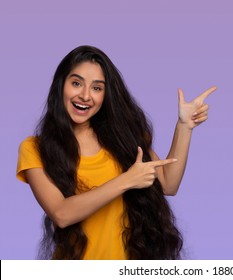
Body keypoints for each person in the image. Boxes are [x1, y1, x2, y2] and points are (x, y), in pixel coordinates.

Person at [16, 45, 216, 260]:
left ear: (106, 94)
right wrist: (127, 180)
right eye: (76, 83)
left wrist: (184, 126)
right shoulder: (35, 148)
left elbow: (169, 184)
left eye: (97, 88)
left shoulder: (122, 137)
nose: (85, 95)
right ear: (60, 85)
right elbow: (61, 214)